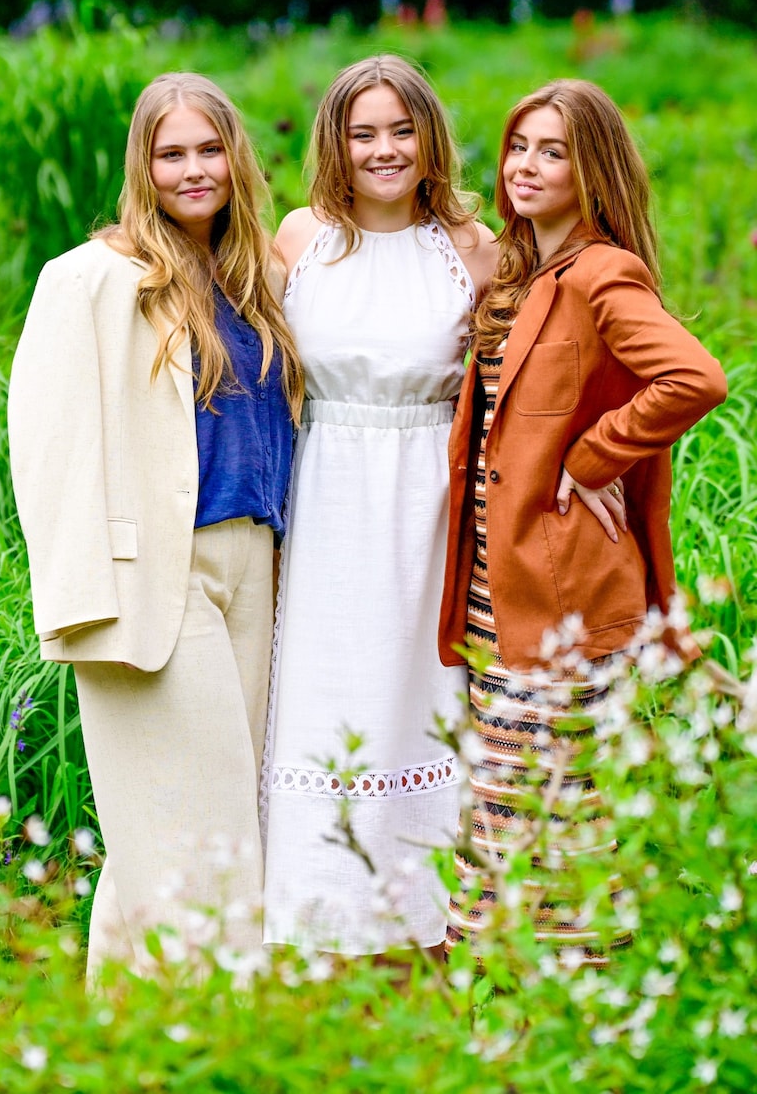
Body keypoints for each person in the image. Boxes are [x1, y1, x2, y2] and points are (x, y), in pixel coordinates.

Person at [8, 72, 304, 980]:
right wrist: (80, 605)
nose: (194, 169)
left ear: (236, 157)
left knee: (179, 832)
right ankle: (214, 1044)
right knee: (204, 843)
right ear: (144, 165)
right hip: (155, 581)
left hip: (256, 565)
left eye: (210, 149)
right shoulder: (91, 279)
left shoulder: (259, 276)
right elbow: (47, 446)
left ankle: (118, 1043)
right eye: (172, 153)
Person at [438, 78, 728, 963]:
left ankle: (564, 992)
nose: (526, 166)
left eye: (553, 151)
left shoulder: (604, 272)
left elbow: (695, 378)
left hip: (562, 582)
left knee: (546, 804)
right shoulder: (521, 272)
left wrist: (592, 455)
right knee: (513, 799)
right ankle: (525, 999)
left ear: (591, 168)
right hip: (500, 581)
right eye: (519, 146)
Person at [260, 55, 498, 956]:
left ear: (430, 138)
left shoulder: (473, 249)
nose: (385, 148)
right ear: (337, 142)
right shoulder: (300, 238)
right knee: (324, 692)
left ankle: (425, 917)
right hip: (326, 492)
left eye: (402, 130)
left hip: (430, 499)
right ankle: (314, 915)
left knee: (421, 693)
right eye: (365, 133)